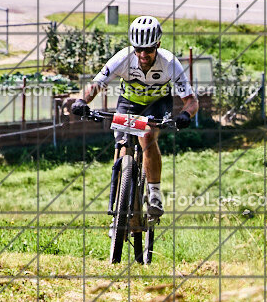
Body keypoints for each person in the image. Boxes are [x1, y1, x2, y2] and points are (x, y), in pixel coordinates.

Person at [67, 16, 198, 218]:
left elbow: (191, 100)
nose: (143, 54)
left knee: (147, 137)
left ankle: (154, 195)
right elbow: (97, 84)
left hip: (157, 104)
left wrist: (186, 114)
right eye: (138, 49)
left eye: (149, 49)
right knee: (121, 143)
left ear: (158, 45)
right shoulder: (123, 58)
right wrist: (82, 101)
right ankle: (120, 202)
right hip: (128, 103)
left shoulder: (170, 62)